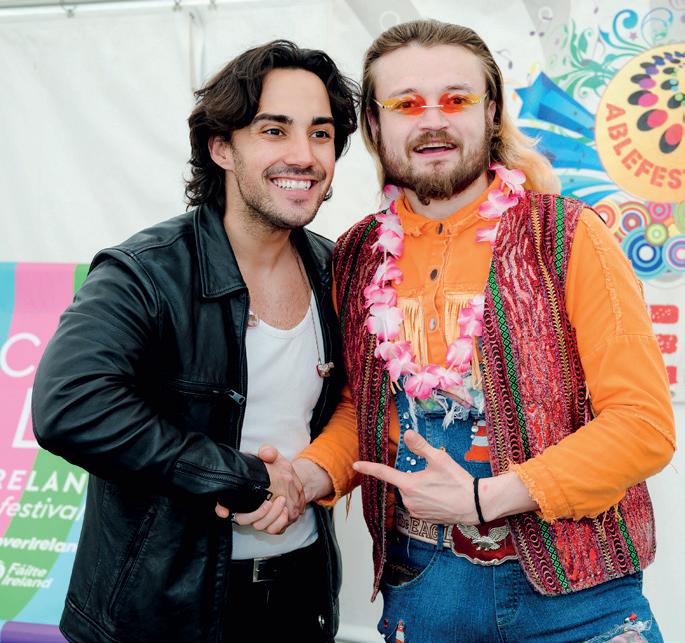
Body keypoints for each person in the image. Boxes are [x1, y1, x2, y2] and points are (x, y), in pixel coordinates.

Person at [289, 19, 675, 643]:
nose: (433, 121)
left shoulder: (568, 236)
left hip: (579, 597)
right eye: (406, 104)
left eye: (457, 99)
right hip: (425, 590)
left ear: (491, 112)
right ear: (374, 124)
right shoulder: (356, 254)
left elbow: (642, 425)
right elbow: (363, 410)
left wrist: (484, 499)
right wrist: (311, 475)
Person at [31, 40, 357, 643]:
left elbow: (358, 402)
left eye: (320, 133)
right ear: (221, 147)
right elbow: (70, 405)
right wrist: (241, 478)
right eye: (274, 130)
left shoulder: (337, 269)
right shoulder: (145, 271)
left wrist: (314, 474)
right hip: (161, 609)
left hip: (300, 594)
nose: (304, 155)